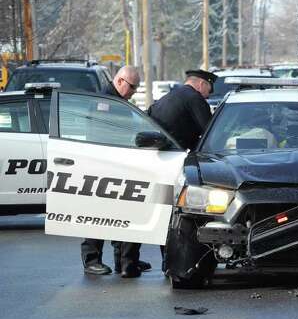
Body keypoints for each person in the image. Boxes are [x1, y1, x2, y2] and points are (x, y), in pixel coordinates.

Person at [81, 65, 150, 278]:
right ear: (120, 81)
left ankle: (125, 261)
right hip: (103, 166)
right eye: (132, 87)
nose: (133, 92)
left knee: (122, 214)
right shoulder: (104, 102)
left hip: (119, 165)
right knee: (98, 215)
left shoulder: (117, 101)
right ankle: (92, 260)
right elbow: (102, 134)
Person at [148, 69, 215, 150]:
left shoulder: (169, 96)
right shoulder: (195, 98)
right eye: (209, 91)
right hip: (177, 151)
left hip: (157, 149)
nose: (207, 96)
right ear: (202, 84)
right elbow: (210, 131)